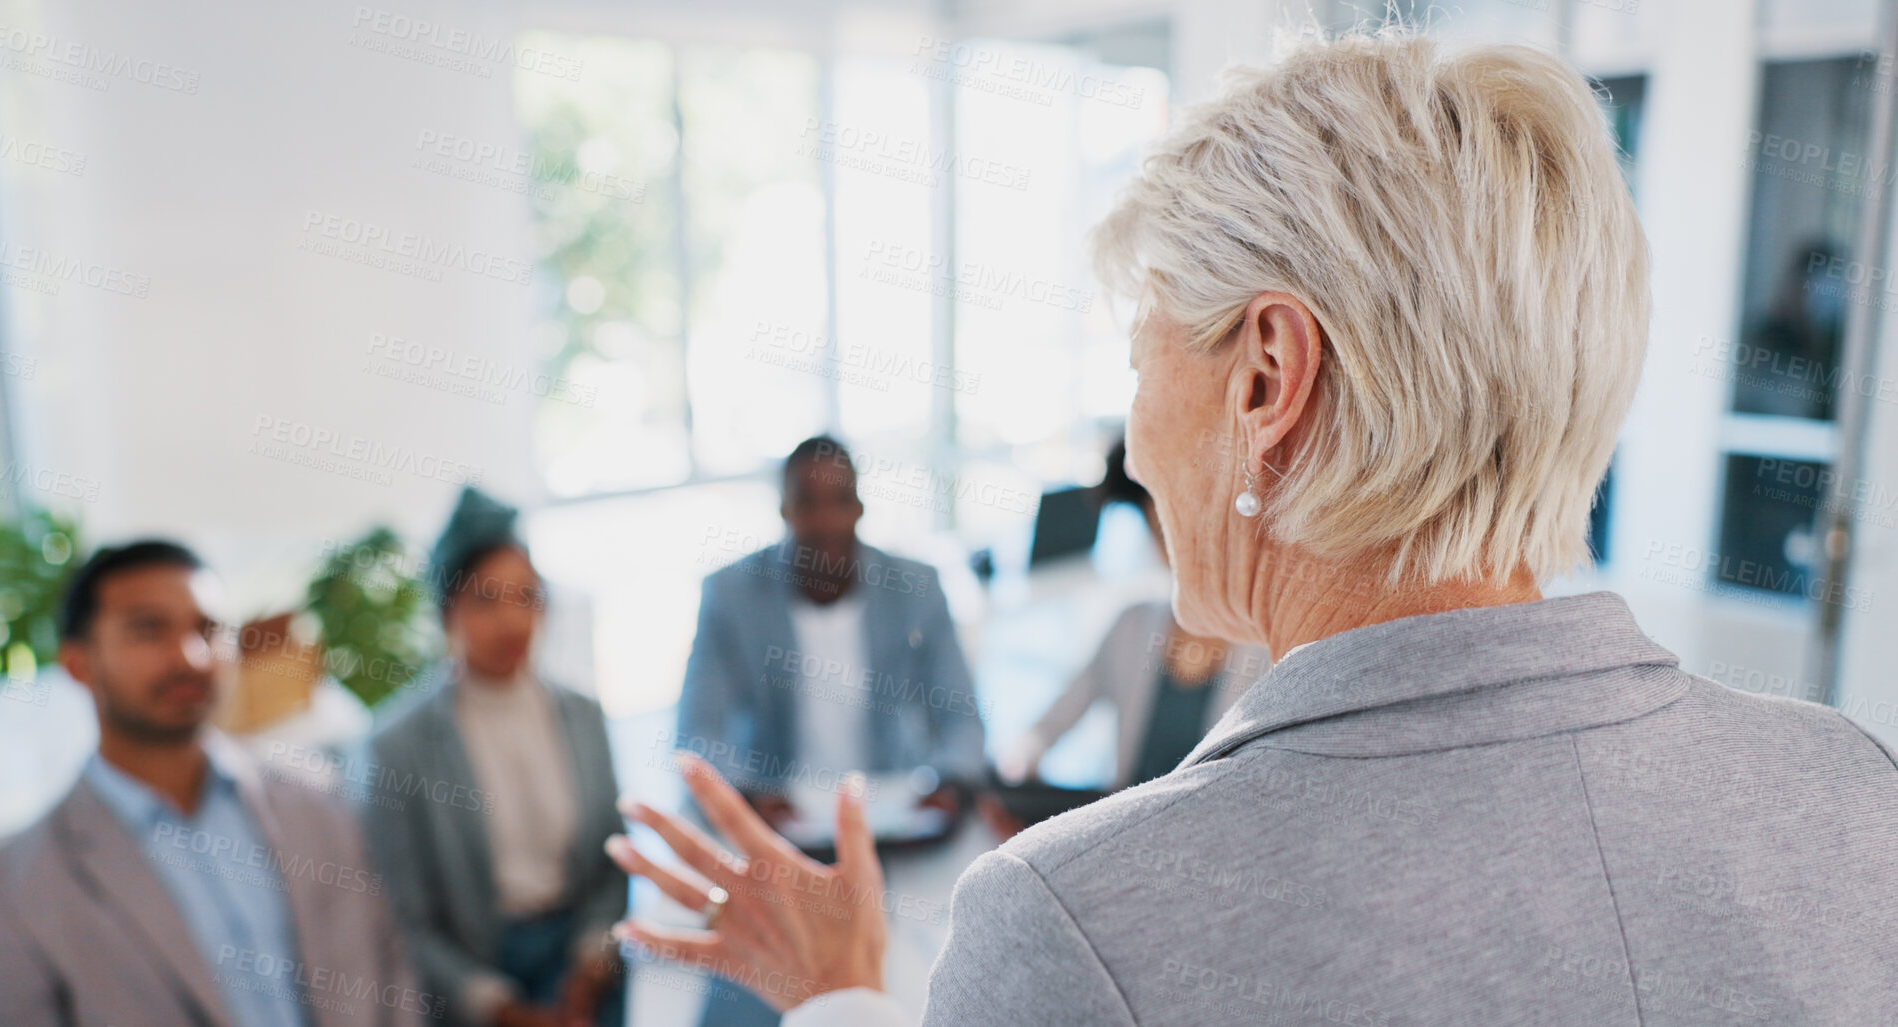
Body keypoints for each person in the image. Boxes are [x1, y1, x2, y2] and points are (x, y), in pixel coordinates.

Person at [603, 30, 1898, 1025]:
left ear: (1266, 374)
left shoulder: (1074, 920)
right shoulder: (1845, 786)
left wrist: (836, 990)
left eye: (1138, 354)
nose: (1132, 431)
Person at [0, 541, 424, 1027]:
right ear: (79, 663)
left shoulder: (317, 800)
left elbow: (390, 978)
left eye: (208, 629)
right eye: (148, 630)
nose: (190, 657)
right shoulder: (5, 894)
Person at [673, 434, 985, 1026]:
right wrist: (750, 797)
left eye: (838, 500)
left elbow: (962, 718)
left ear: (860, 507)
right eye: (805, 503)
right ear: (784, 510)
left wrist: (950, 784)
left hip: (894, 819)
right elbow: (698, 733)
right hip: (784, 826)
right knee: (766, 986)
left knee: (932, 985)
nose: (823, 520)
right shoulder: (731, 594)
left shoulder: (915, 587)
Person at [360, 487, 627, 1027]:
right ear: (444, 610)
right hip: (476, 978)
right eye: (486, 600)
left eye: (527, 597)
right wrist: (497, 1007)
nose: (512, 622)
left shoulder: (582, 714)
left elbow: (609, 868)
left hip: (583, 968)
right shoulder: (398, 745)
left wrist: (590, 965)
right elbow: (403, 920)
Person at [998, 439, 1269, 789]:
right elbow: (1044, 729)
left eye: (1193, 529)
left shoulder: (1272, 648)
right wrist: (1017, 767)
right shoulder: (1131, 626)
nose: (1181, 551)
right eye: (1162, 532)